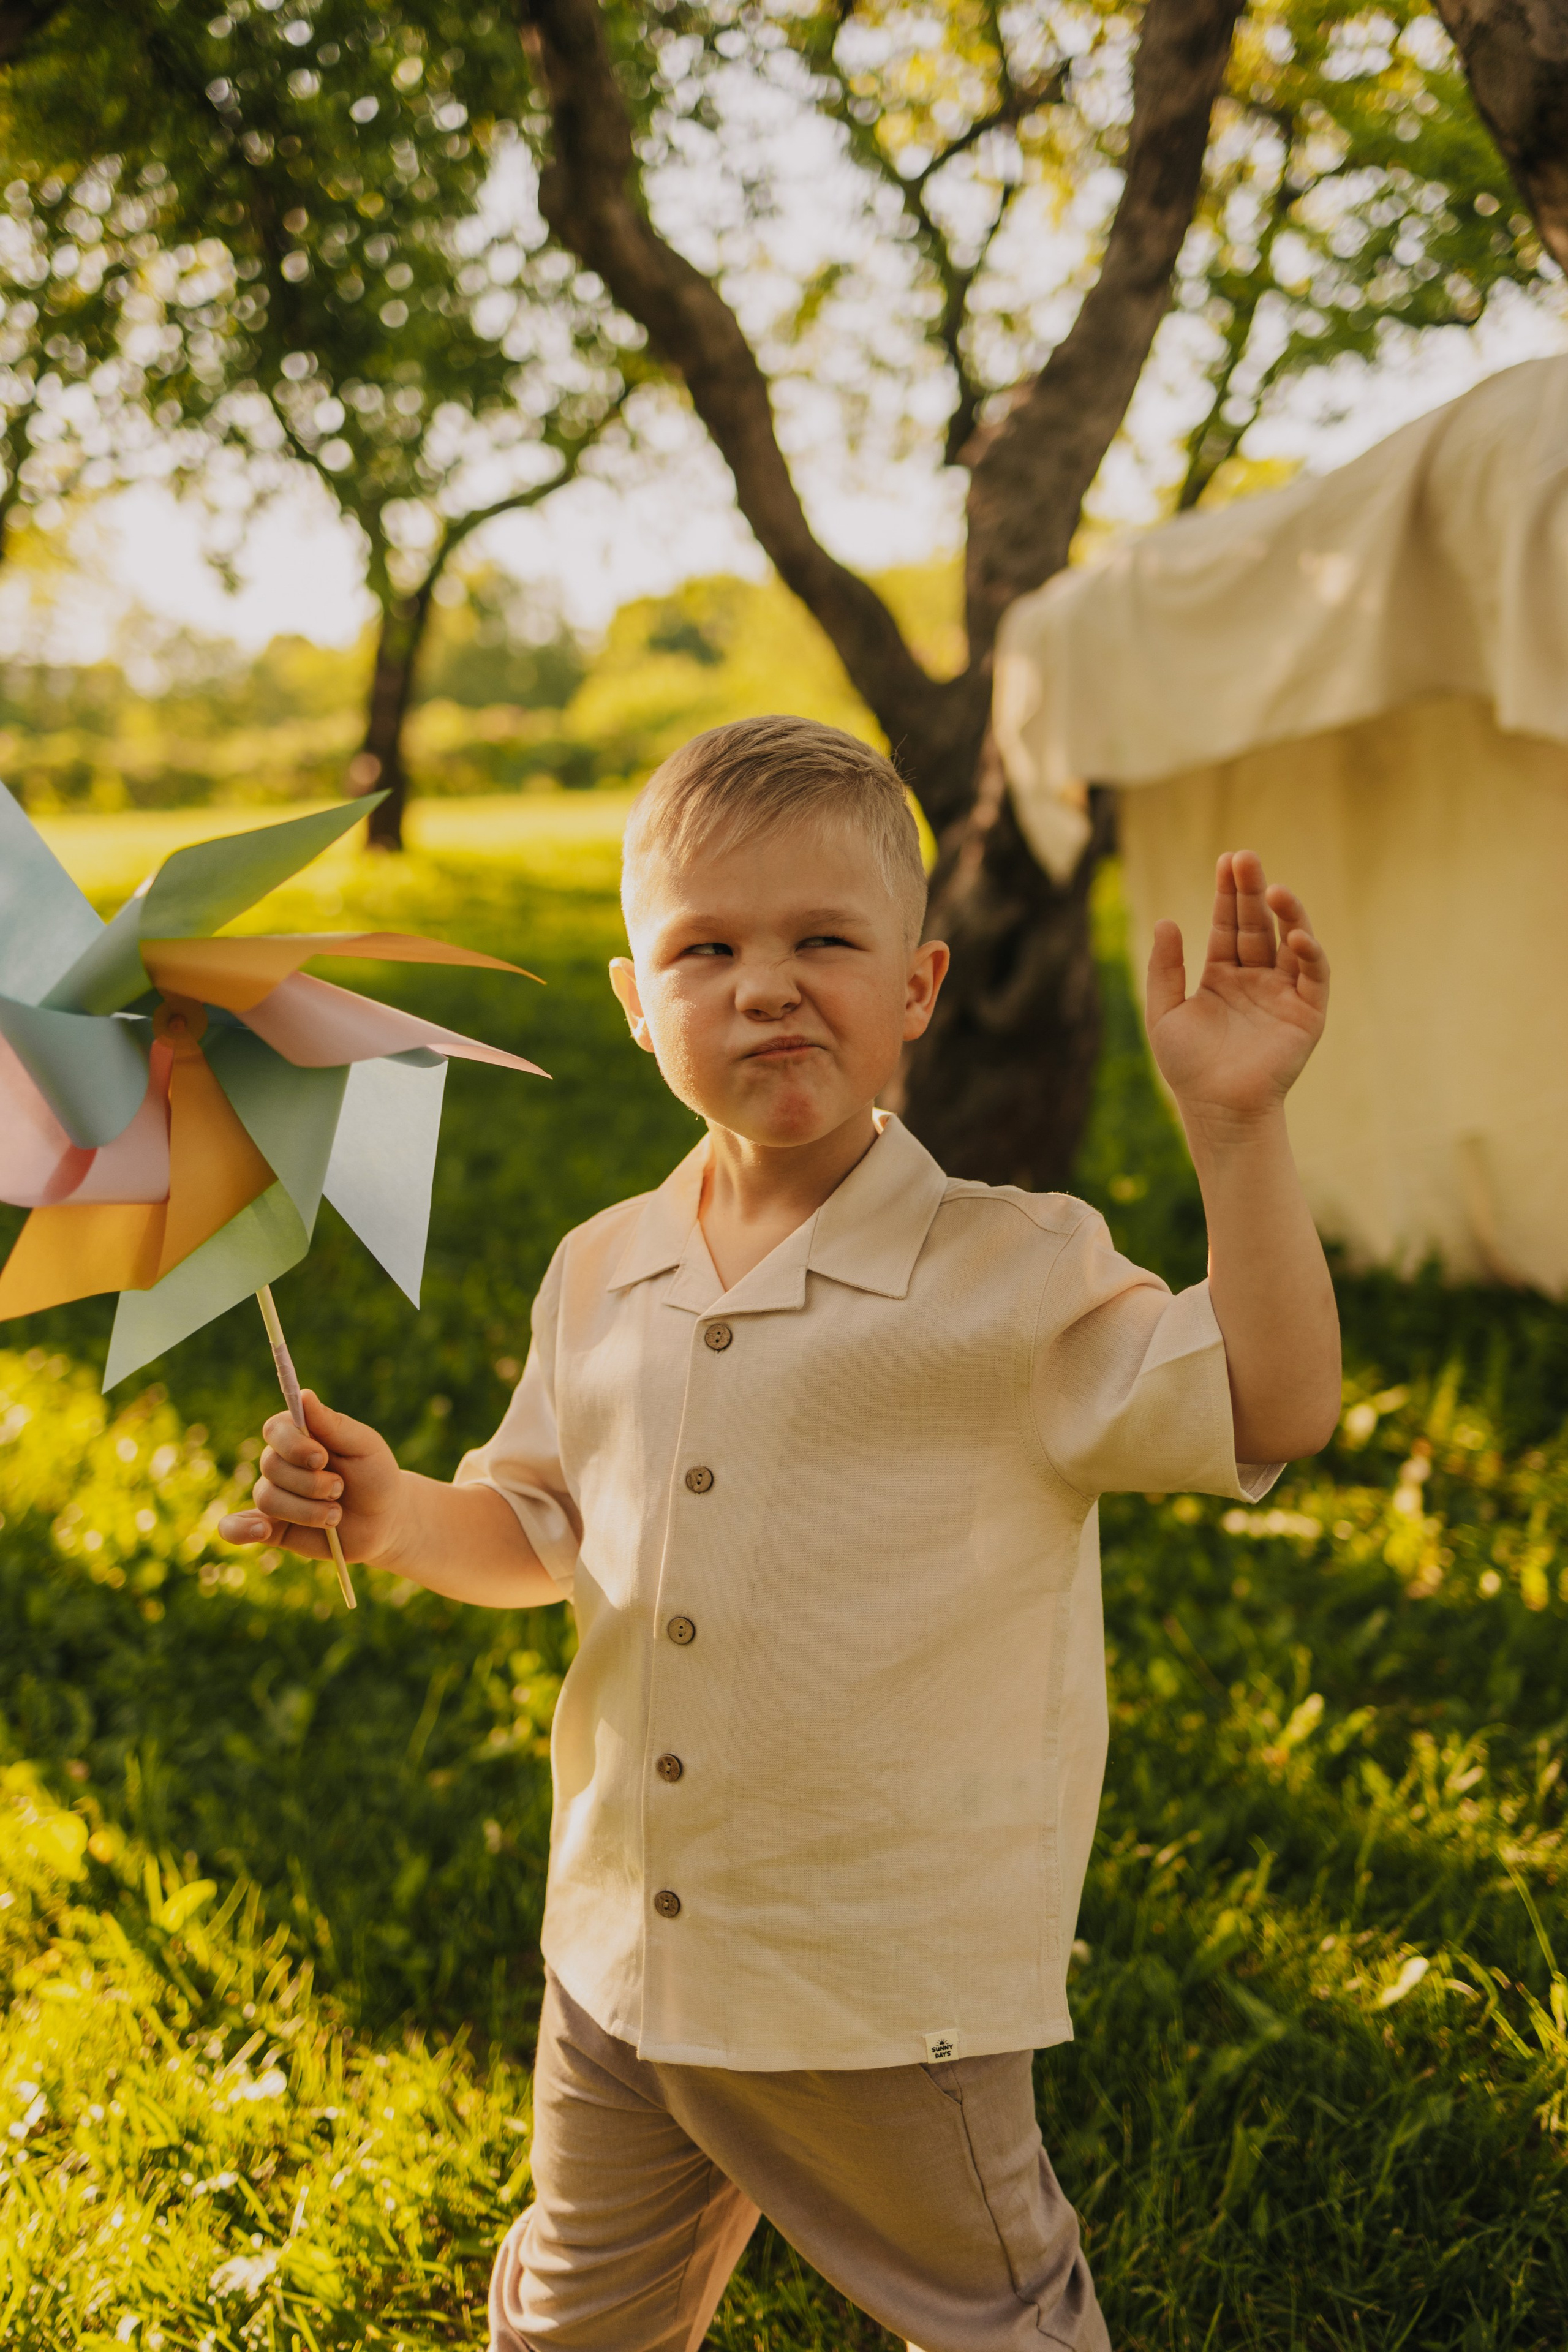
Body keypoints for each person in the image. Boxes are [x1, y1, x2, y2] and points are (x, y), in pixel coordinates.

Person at [221, 715, 1341, 2352]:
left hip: (874, 1994)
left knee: (997, 2320)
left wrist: (1237, 1131)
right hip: (620, 1960)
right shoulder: (601, 1267)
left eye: (824, 940)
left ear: (920, 986)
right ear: (635, 1002)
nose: (765, 986)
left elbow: (1271, 1405)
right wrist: (391, 1515)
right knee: (573, 2321)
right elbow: (542, 1529)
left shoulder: (1015, 1273)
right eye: (707, 948)